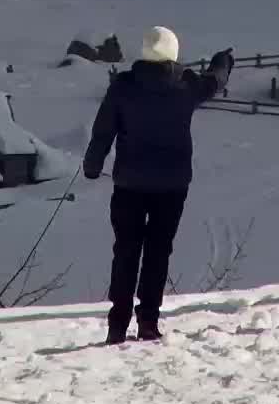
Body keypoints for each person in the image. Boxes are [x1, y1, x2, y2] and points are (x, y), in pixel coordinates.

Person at [83, 27, 233, 344]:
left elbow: (103, 130)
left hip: (129, 184)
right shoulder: (186, 85)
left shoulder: (123, 86)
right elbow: (215, 81)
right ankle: (148, 320)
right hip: (172, 186)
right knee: (158, 252)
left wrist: (93, 165)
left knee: (126, 251)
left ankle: (117, 324)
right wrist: (222, 61)